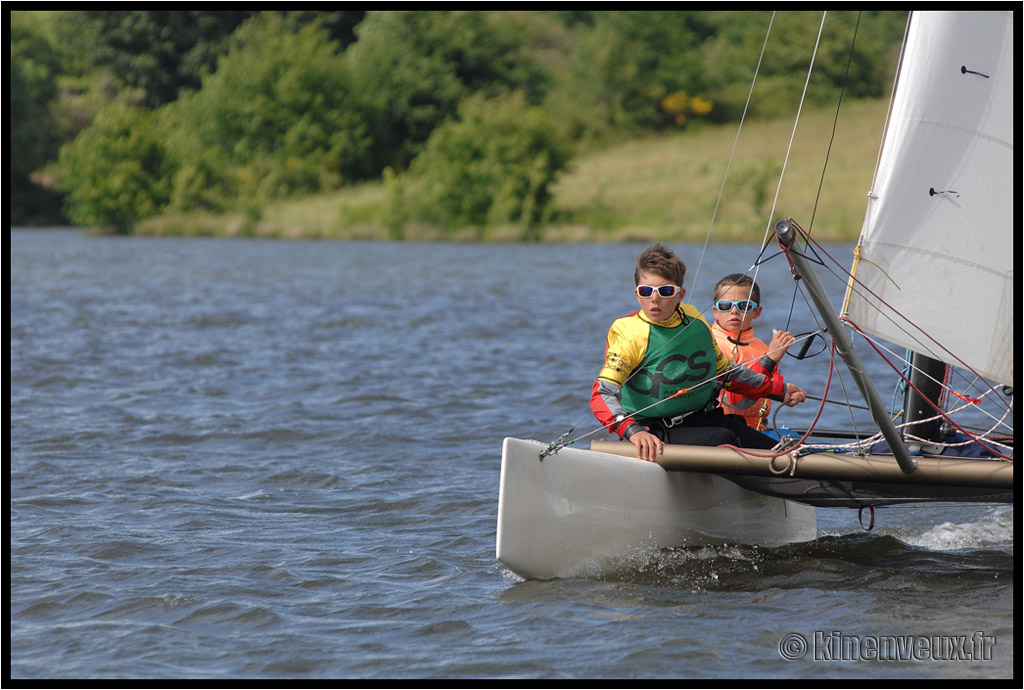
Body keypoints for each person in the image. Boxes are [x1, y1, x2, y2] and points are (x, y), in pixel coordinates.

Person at [590, 244, 806, 461]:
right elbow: (602, 394)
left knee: (785, 450)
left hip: (704, 421)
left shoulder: (695, 321)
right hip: (654, 432)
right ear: (637, 294)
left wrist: (778, 390)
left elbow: (724, 373)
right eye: (646, 291)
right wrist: (631, 431)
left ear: (680, 295)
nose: (654, 299)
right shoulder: (628, 333)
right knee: (724, 438)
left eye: (665, 291)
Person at [710, 273, 795, 431]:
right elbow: (736, 401)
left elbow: (768, 389)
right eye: (725, 306)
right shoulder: (711, 344)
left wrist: (786, 394)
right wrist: (769, 359)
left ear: (756, 312)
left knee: (795, 441)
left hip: (758, 428)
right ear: (716, 311)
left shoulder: (764, 347)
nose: (734, 311)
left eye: (744, 306)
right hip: (723, 427)